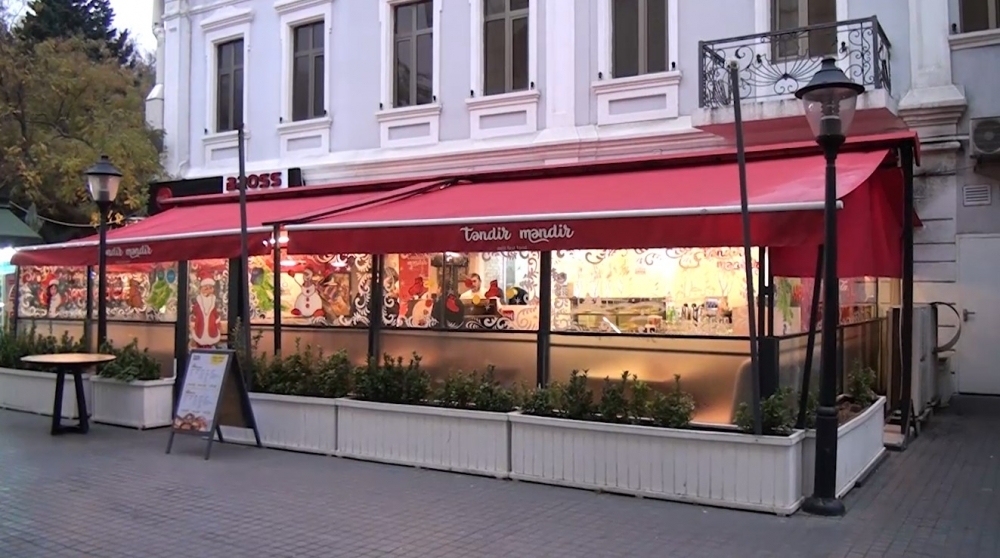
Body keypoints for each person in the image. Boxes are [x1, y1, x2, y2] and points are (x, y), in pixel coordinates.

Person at [190, 268, 221, 348]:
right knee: (200, 341)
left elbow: (216, 315)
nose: (208, 291)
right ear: (201, 289)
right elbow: (194, 314)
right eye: (206, 288)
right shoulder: (198, 302)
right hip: (200, 328)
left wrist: (217, 324)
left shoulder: (214, 302)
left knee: (211, 342)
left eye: (210, 288)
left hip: (212, 328)